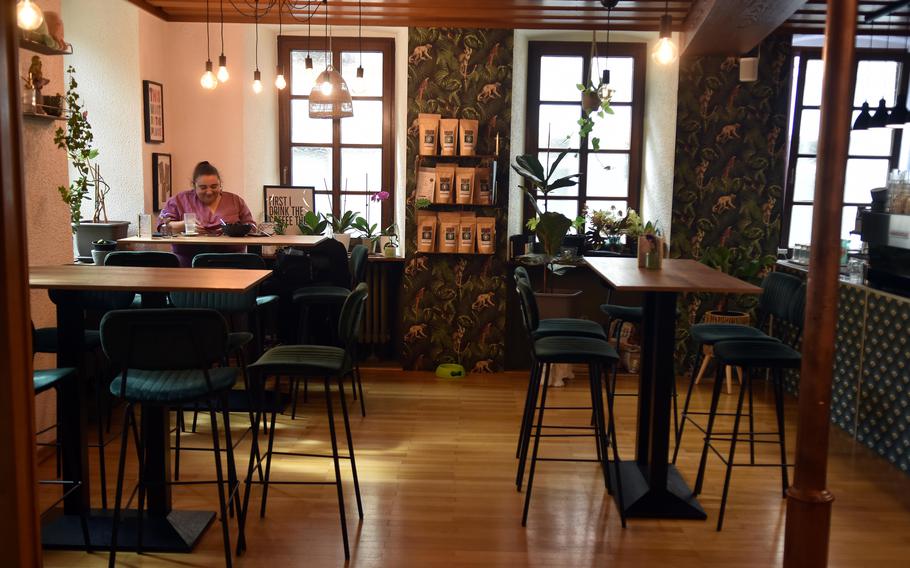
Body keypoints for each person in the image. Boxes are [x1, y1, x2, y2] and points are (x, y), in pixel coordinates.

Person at [158, 161, 255, 266]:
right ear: (194, 186)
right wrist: (184, 225)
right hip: (187, 264)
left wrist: (234, 230)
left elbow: (252, 227)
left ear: (220, 184)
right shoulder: (179, 200)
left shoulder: (235, 201)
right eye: (203, 187)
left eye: (214, 187)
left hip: (231, 262)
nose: (209, 192)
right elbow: (162, 226)